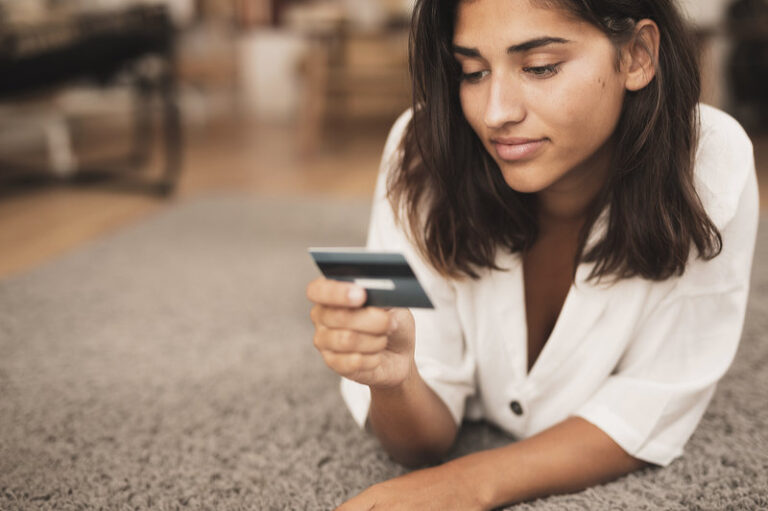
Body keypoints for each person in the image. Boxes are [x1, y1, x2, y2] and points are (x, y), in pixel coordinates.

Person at [306, 0, 759, 509]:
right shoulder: (421, 149)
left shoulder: (712, 163)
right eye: (472, 72)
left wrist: (469, 483)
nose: (497, 112)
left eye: (540, 67)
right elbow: (418, 443)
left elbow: (652, 402)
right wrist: (394, 379)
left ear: (636, 56)